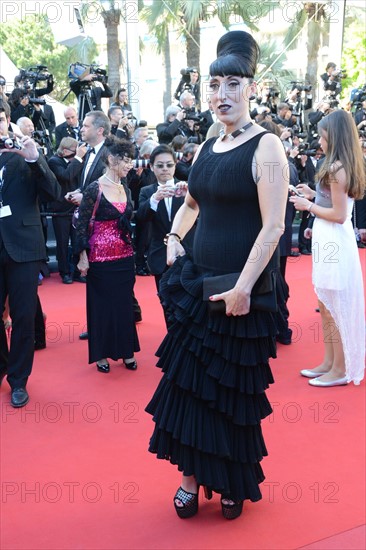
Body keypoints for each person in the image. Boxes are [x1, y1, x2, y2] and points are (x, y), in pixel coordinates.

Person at [145, 31, 288, 520]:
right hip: (196, 284)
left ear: (251, 86)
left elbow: (274, 225)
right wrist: (172, 238)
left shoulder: (268, 147)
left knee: (230, 395)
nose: (222, 94)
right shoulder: (209, 140)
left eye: (233, 83)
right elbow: (191, 203)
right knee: (189, 387)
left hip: (240, 290)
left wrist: (245, 287)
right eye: (214, 84)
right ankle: (189, 476)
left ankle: (229, 479)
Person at [290, 110, 365, 387]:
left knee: (334, 305)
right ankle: (330, 361)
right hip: (328, 237)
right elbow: (331, 201)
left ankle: (341, 368)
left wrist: (308, 206)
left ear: (334, 137)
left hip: (334, 236)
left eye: (322, 136)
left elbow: (339, 214)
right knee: (325, 302)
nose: (319, 141)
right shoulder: (335, 165)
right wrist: (312, 194)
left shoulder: (337, 168)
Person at [0, 100, 61, 408]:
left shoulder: (26, 154)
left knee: (23, 317)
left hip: (23, 247)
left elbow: (53, 193)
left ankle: (19, 379)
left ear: (7, 120)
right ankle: (3, 365)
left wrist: (37, 159)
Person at [75, 136, 140, 373]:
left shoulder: (126, 187)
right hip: (99, 258)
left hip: (124, 256)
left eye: (131, 159)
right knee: (101, 306)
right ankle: (101, 353)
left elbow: (130, 218)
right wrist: (82, 257)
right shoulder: (95, 188)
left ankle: (127, 351)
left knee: (124, 305)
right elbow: (81, 225)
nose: (129, 164)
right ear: (111, 160)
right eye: (125, 160)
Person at [136, 144, 195, 294]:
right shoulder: (147, 191)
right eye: (160, 165)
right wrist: (155, 199)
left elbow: (200, 217)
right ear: (151, 166)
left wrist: (189, 197)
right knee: (165, 302)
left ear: (175, 165)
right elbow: (141, 219)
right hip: (159, 256)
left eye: (169, 165)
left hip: (187, 253)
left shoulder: (187, 189)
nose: (165, 169)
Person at [48, 137, 87, 284]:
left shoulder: (78, 162)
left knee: (78, 241)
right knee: (62, 243)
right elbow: (66, 175)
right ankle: (64, 272)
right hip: (61, 210)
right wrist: (77, 158)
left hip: (77, 208)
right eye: (74, 152)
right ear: (65, 151)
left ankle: (77, 271)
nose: (77, 154)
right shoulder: (54, 161)